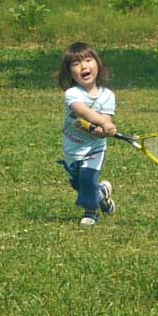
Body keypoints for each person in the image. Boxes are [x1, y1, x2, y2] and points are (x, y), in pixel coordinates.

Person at [56, 42, 118, 226]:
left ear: (98, 64)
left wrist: (103, 130)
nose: (83, 66)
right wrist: (104, 124)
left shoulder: (108, 95)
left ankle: (90, 213)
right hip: (73, 148)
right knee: (79, 184)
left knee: (87, 178)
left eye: (88, 60)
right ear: (70, 72)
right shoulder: (72, 93)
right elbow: (82, 112)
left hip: (95, 148)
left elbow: (105, 120)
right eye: (76, 64)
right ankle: (102, 193)